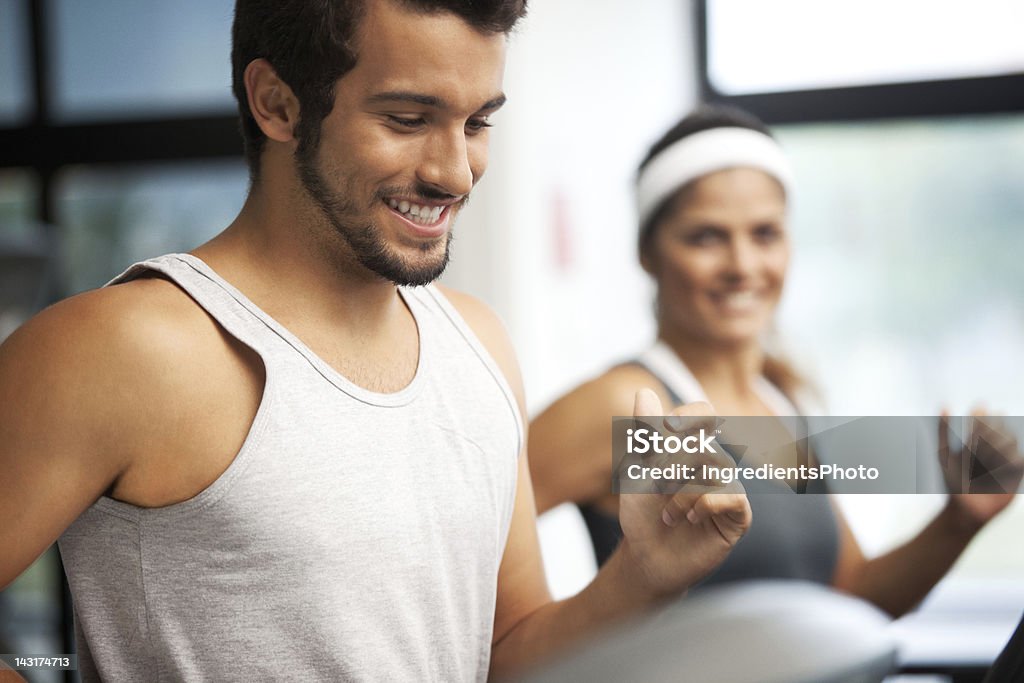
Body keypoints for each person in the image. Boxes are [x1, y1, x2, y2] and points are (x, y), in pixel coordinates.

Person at [0, 2, 752, 681]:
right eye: (407, 118)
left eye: (478, 121)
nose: (455, 171)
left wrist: (641, 579)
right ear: (278, 104)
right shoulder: (124, 346)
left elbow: (510, 650)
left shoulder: (480, 345)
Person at [528, 104, 1023, 618]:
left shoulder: (780, 399)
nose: (742, 266)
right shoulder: (623, 404)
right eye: (706, 236)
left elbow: (846, 597)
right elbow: (463, 546)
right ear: (648, 254)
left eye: (764, 234)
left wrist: (960, 520)